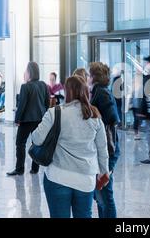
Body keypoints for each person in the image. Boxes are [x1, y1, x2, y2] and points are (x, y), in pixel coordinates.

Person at [28, 76, 110, 218]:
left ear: (67, 92)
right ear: (85, 91)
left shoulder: (55, 112)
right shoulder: (94, 115)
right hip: (86, 180)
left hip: (58, 177)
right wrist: (104, 172)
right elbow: (103, 150)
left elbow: (36, 138)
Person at [7, 62, 50, 176]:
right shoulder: (43, 85)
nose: (24, 73)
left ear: (30, 72)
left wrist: (17, 119)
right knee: (36, 143)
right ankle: (35, 168)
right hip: (40, 119)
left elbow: (22, 105)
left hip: (26, 120)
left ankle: (19, 169)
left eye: (25, 71)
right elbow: (47, 103)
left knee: (20, 143)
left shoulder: (25, 86)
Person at [89, 62, 120, 218]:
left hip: (108, 150)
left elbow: (113, 119)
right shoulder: (98, 92)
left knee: (105, 197)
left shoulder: (101, 93)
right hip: (105, 150)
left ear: (94, 77)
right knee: (100, 195)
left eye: (89, 75)